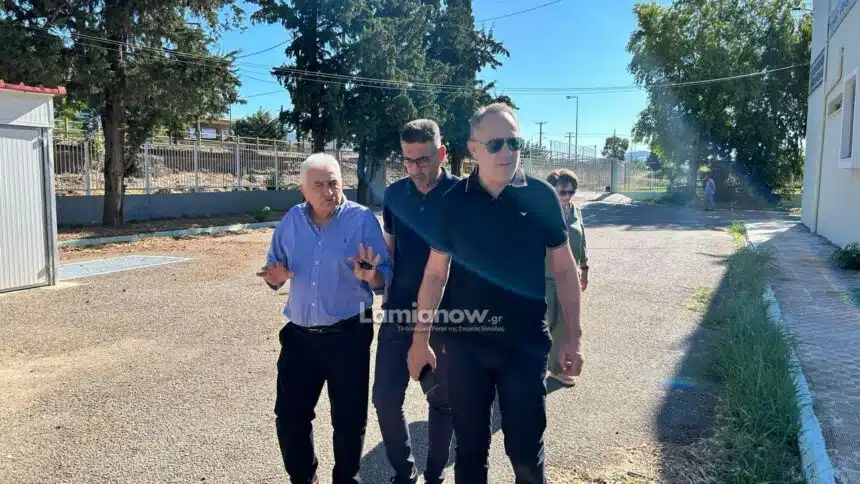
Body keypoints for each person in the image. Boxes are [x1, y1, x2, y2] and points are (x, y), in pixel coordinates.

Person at [406, 102, 584, 484]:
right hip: (467, 348)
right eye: (495, 144)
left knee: (526, 451)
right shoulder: (452, 202)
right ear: (473, 149)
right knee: (470, 452)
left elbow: (565, 268)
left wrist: (573, 336)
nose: (507, 152)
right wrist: (420, 341)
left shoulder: (541, 197)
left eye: (514, 142)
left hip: (525, 346)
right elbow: (435, 274)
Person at [258, 153, 392, 484]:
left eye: (333, 182)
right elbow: (274, 271)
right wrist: (274, 277)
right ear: (303, 190)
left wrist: (372, 276)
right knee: (290, 417)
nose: (328, 191)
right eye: (318, 185)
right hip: (300, 337)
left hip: (349, 335)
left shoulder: (361, 219)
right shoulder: (290, 221)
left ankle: (345, 479)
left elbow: (384, 276)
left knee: (349, 420)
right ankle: (305, 477)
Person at [374, 119, 459, 484]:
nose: (414, 169)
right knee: (385, 399)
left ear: (441, 153)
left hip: (448, 317)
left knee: (442, 402)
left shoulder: (462, 195)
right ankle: (404, 472)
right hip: (399, 313)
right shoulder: (394, 195)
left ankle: (435, 474)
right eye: (407, 160)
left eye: (423, 160)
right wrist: (384, 289)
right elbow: (390, 249)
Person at [544, 169, 589, 387]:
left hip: (569, 278)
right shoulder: (541, 212)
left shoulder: (576, 211)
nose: (567, 196)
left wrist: (585, 267)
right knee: (542, 325)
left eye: (571, 192)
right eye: (563, 192)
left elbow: (582, 239)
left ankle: (557, 369)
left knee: (563, 326)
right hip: (544, 278)